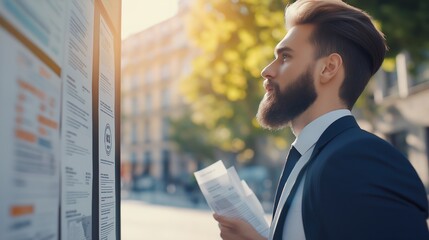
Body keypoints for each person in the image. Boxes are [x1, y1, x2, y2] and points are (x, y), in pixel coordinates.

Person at [213, 0, 429, 239]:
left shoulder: (359, 159)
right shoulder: (314, 155)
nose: (267, 70)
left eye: (285, 57)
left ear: (328, 68)